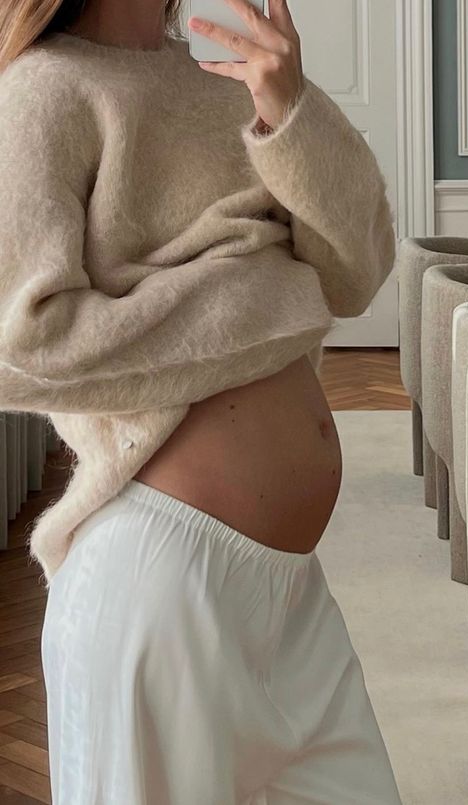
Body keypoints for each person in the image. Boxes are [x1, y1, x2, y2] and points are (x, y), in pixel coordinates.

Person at [0, 0, 403, 802]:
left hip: (286, 592)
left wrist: (291, 108)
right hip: (158, 584)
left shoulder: (229, 82)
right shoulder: (45, 89)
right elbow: (23, 341)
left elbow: (355, 274)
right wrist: (269, 295)